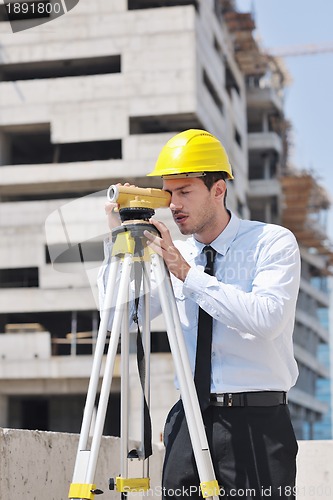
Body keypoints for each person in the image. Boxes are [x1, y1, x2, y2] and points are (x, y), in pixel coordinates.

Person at [99, 129, 300, 500]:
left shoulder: (271, 242)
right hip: (188, 418)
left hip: (257, 420)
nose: (173, 204)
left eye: (185, 192)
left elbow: (267, 319)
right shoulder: (173, 253)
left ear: (218, 189)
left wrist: (188, 276)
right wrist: (118, 243)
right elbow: (121, 319)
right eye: (168, 193)